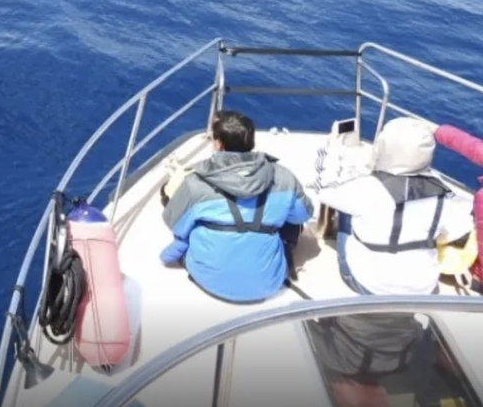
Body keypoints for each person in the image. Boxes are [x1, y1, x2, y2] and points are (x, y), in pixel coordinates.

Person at [161, 109, 314, 302]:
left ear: (218, 144)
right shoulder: (284, 177)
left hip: (206, 278)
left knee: (189, 221)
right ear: (251, 141)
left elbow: (175, 224)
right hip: (268, 283)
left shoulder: (194, 182)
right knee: (291, 218)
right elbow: (304, 214)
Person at [321, 117, 474, 295]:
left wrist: (331, 149)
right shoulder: (445, 194)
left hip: (369, 286)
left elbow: (324, 189)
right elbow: (460, 229)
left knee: (346, 211)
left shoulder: (368, 189)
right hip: (423, 290)